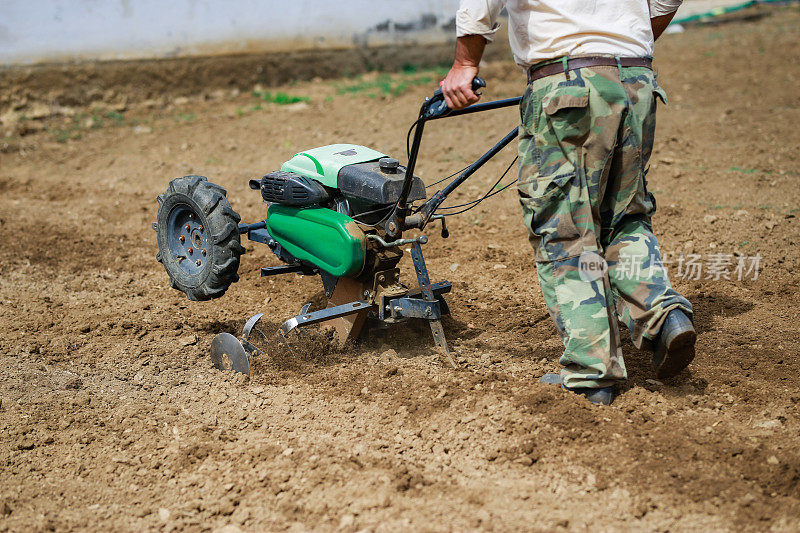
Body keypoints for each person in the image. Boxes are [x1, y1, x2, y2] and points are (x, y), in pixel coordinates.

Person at [440, 0, 696, 405]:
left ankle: (592, 374)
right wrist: (621, 41)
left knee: (564, 229)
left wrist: (465, 64)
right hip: (636, 79)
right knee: (625, 216)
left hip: (567, 85)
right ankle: (664, 314)